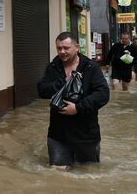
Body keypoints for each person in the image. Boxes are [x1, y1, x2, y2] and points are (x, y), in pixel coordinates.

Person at [37, 32, 110, 168]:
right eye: (59, 48)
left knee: (89, 173)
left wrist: (77, 108)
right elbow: (42, 90)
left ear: (77, 47)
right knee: (58, 175)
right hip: (58, 134)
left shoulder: (90, 67)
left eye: (66, 48)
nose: (62, 52)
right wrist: (63, 81)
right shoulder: (53, 67)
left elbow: (103, 94)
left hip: (86, 135)